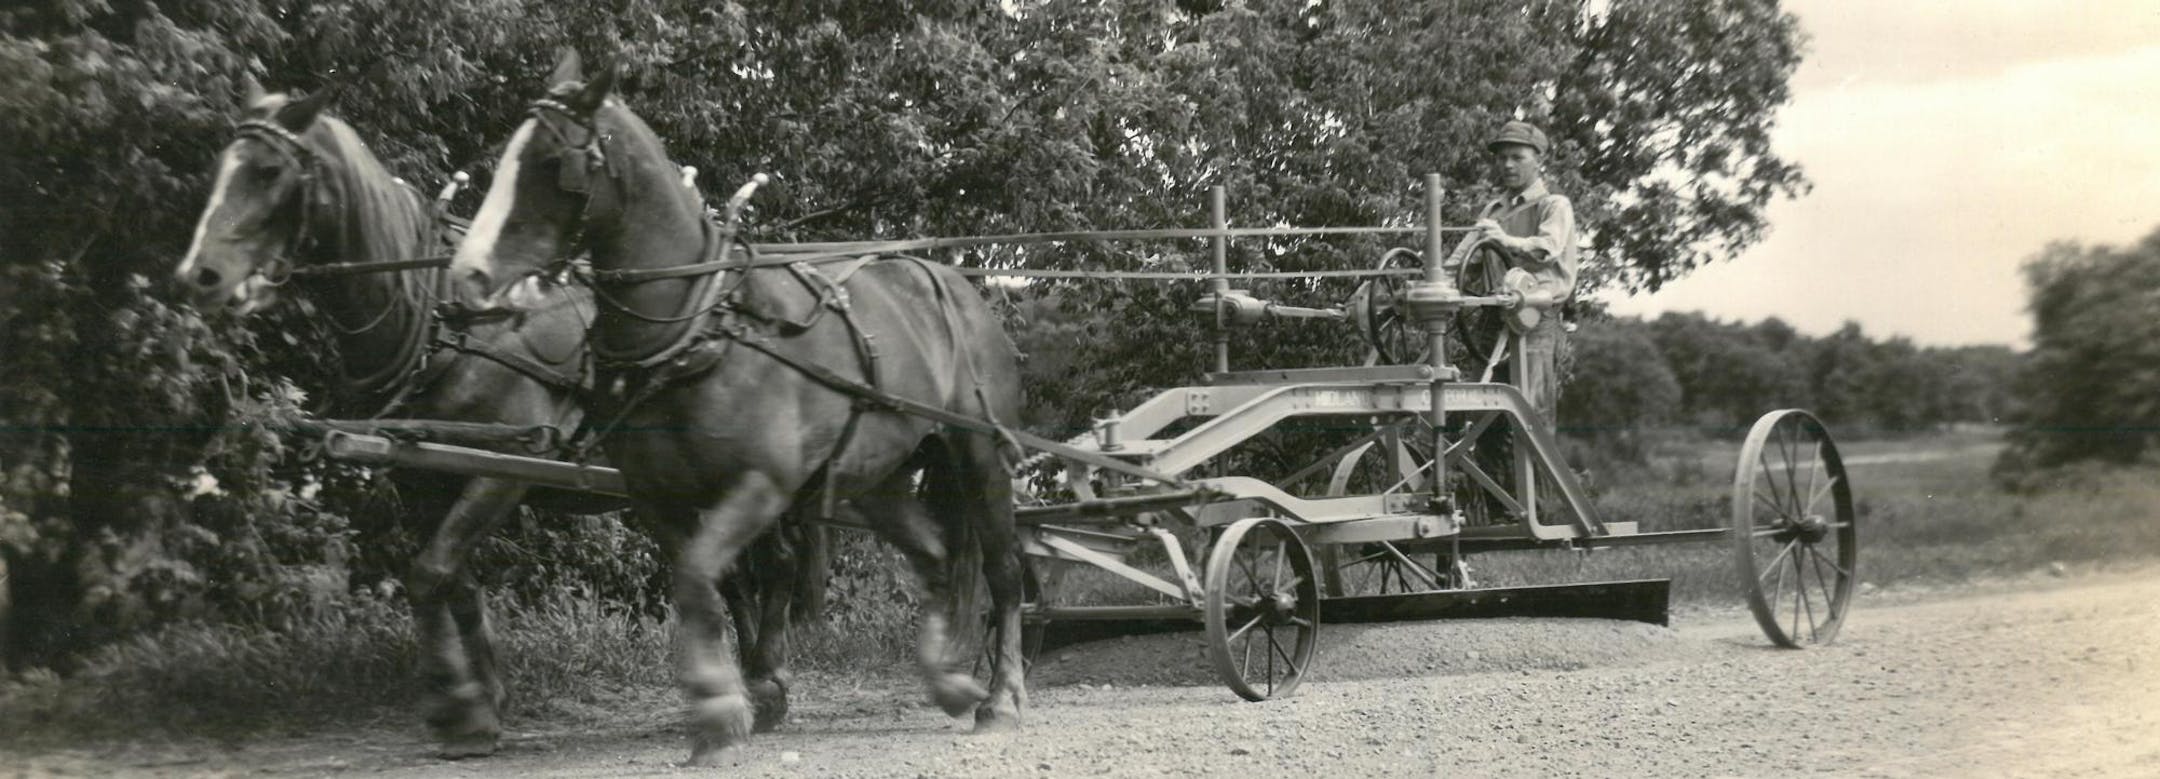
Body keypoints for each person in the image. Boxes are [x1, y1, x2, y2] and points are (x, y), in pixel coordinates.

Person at [1470, 120, 1576, 426]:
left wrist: (1505, 240)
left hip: (1534, 321)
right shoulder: (1493, 211)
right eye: (1502, 157)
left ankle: (1538, 476)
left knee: (1533, 420)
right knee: (1481, 417)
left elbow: (1547, 248)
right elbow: (1464, 262)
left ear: (1538, 160)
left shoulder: (1554, 206)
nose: (1507, 164)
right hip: (1491, 318)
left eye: (1517, 157)